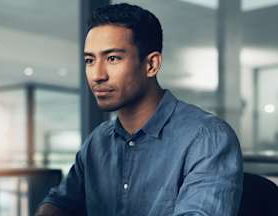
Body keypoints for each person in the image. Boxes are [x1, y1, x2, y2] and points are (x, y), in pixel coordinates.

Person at [36, 3, 243, 216]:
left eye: (113, 58)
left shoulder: (207, 138)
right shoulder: (97, 143)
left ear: (151, 65)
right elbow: (59, 202)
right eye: (90, 60)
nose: (97, 75)